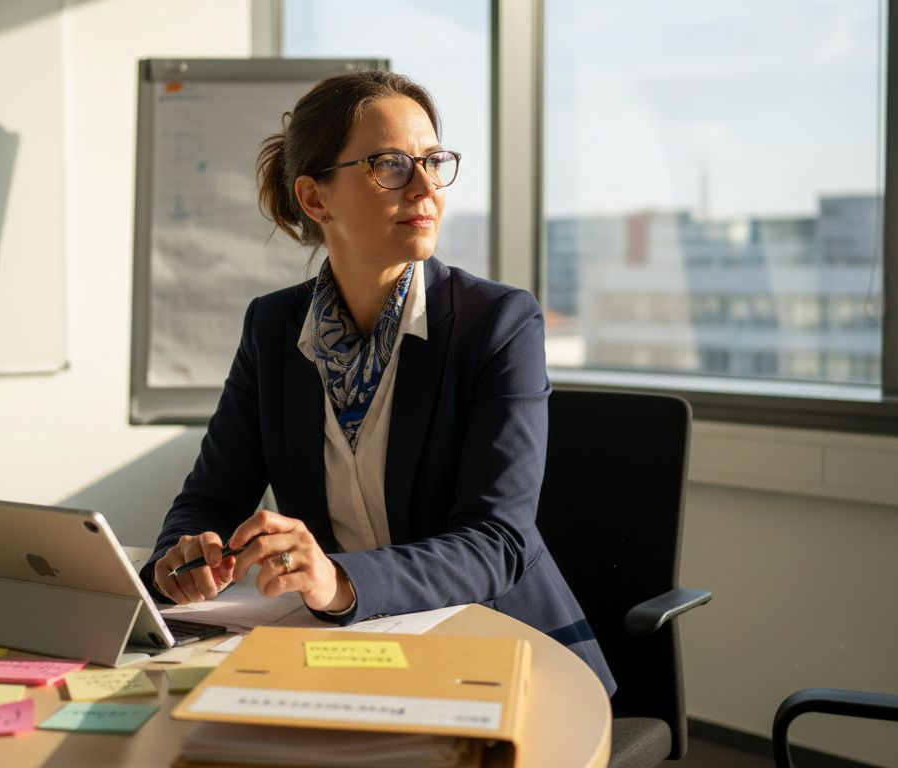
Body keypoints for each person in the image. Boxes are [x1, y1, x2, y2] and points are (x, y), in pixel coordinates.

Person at [139, 70, 615, 695]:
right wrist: (184, 557)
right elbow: (210, 500)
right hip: (353, 653)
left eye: (433, 161)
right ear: (315, 199)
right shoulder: (275, 327)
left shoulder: (497, 323)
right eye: (390, 164)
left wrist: (338, 581)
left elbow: (497, 541)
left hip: (498, 650)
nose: (425, 187)